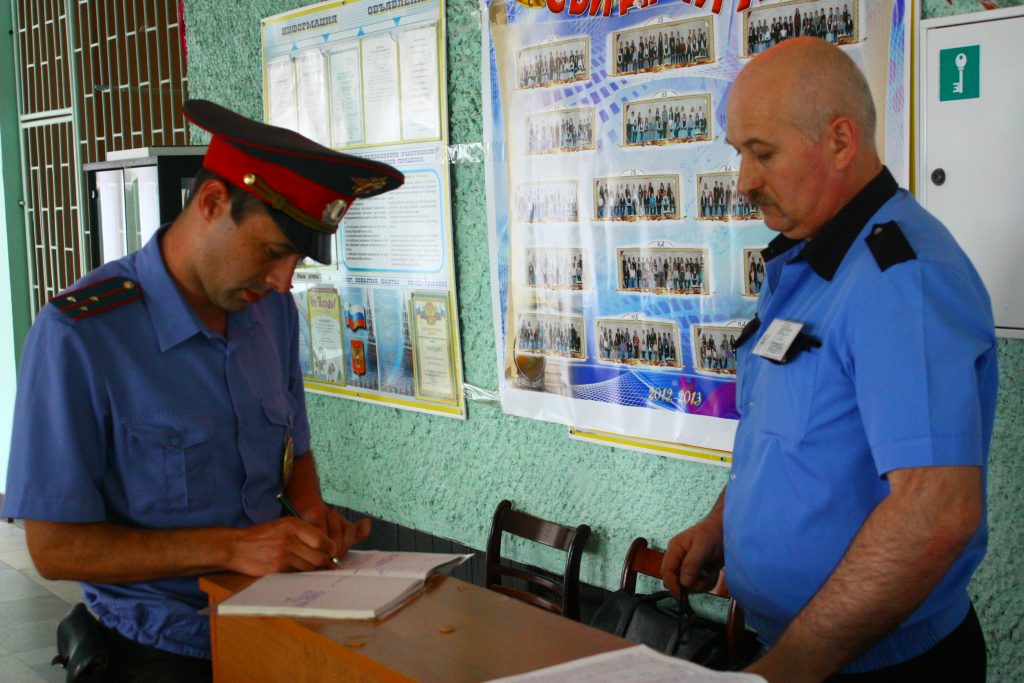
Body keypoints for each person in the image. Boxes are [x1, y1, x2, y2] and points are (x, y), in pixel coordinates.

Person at [2, 100, 404, 681]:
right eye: (273, 251)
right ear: (212, 203)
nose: (283, 280)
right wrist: (230, 548)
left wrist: (313, 520)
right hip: (157, 653)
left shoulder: (273, 317)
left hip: (277, 630)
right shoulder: (82, 334)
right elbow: (54, 548)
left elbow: (297, 453)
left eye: (296, 259)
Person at [661, 38, 996, 682]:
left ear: (841, 142)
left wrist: (789, 669)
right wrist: (721, 524)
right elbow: (796, 438)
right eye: (740, 155)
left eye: (763, 153)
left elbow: (934, 511)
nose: (744, 182)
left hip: (877, 667)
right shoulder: (811, 262)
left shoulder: (903, 279)